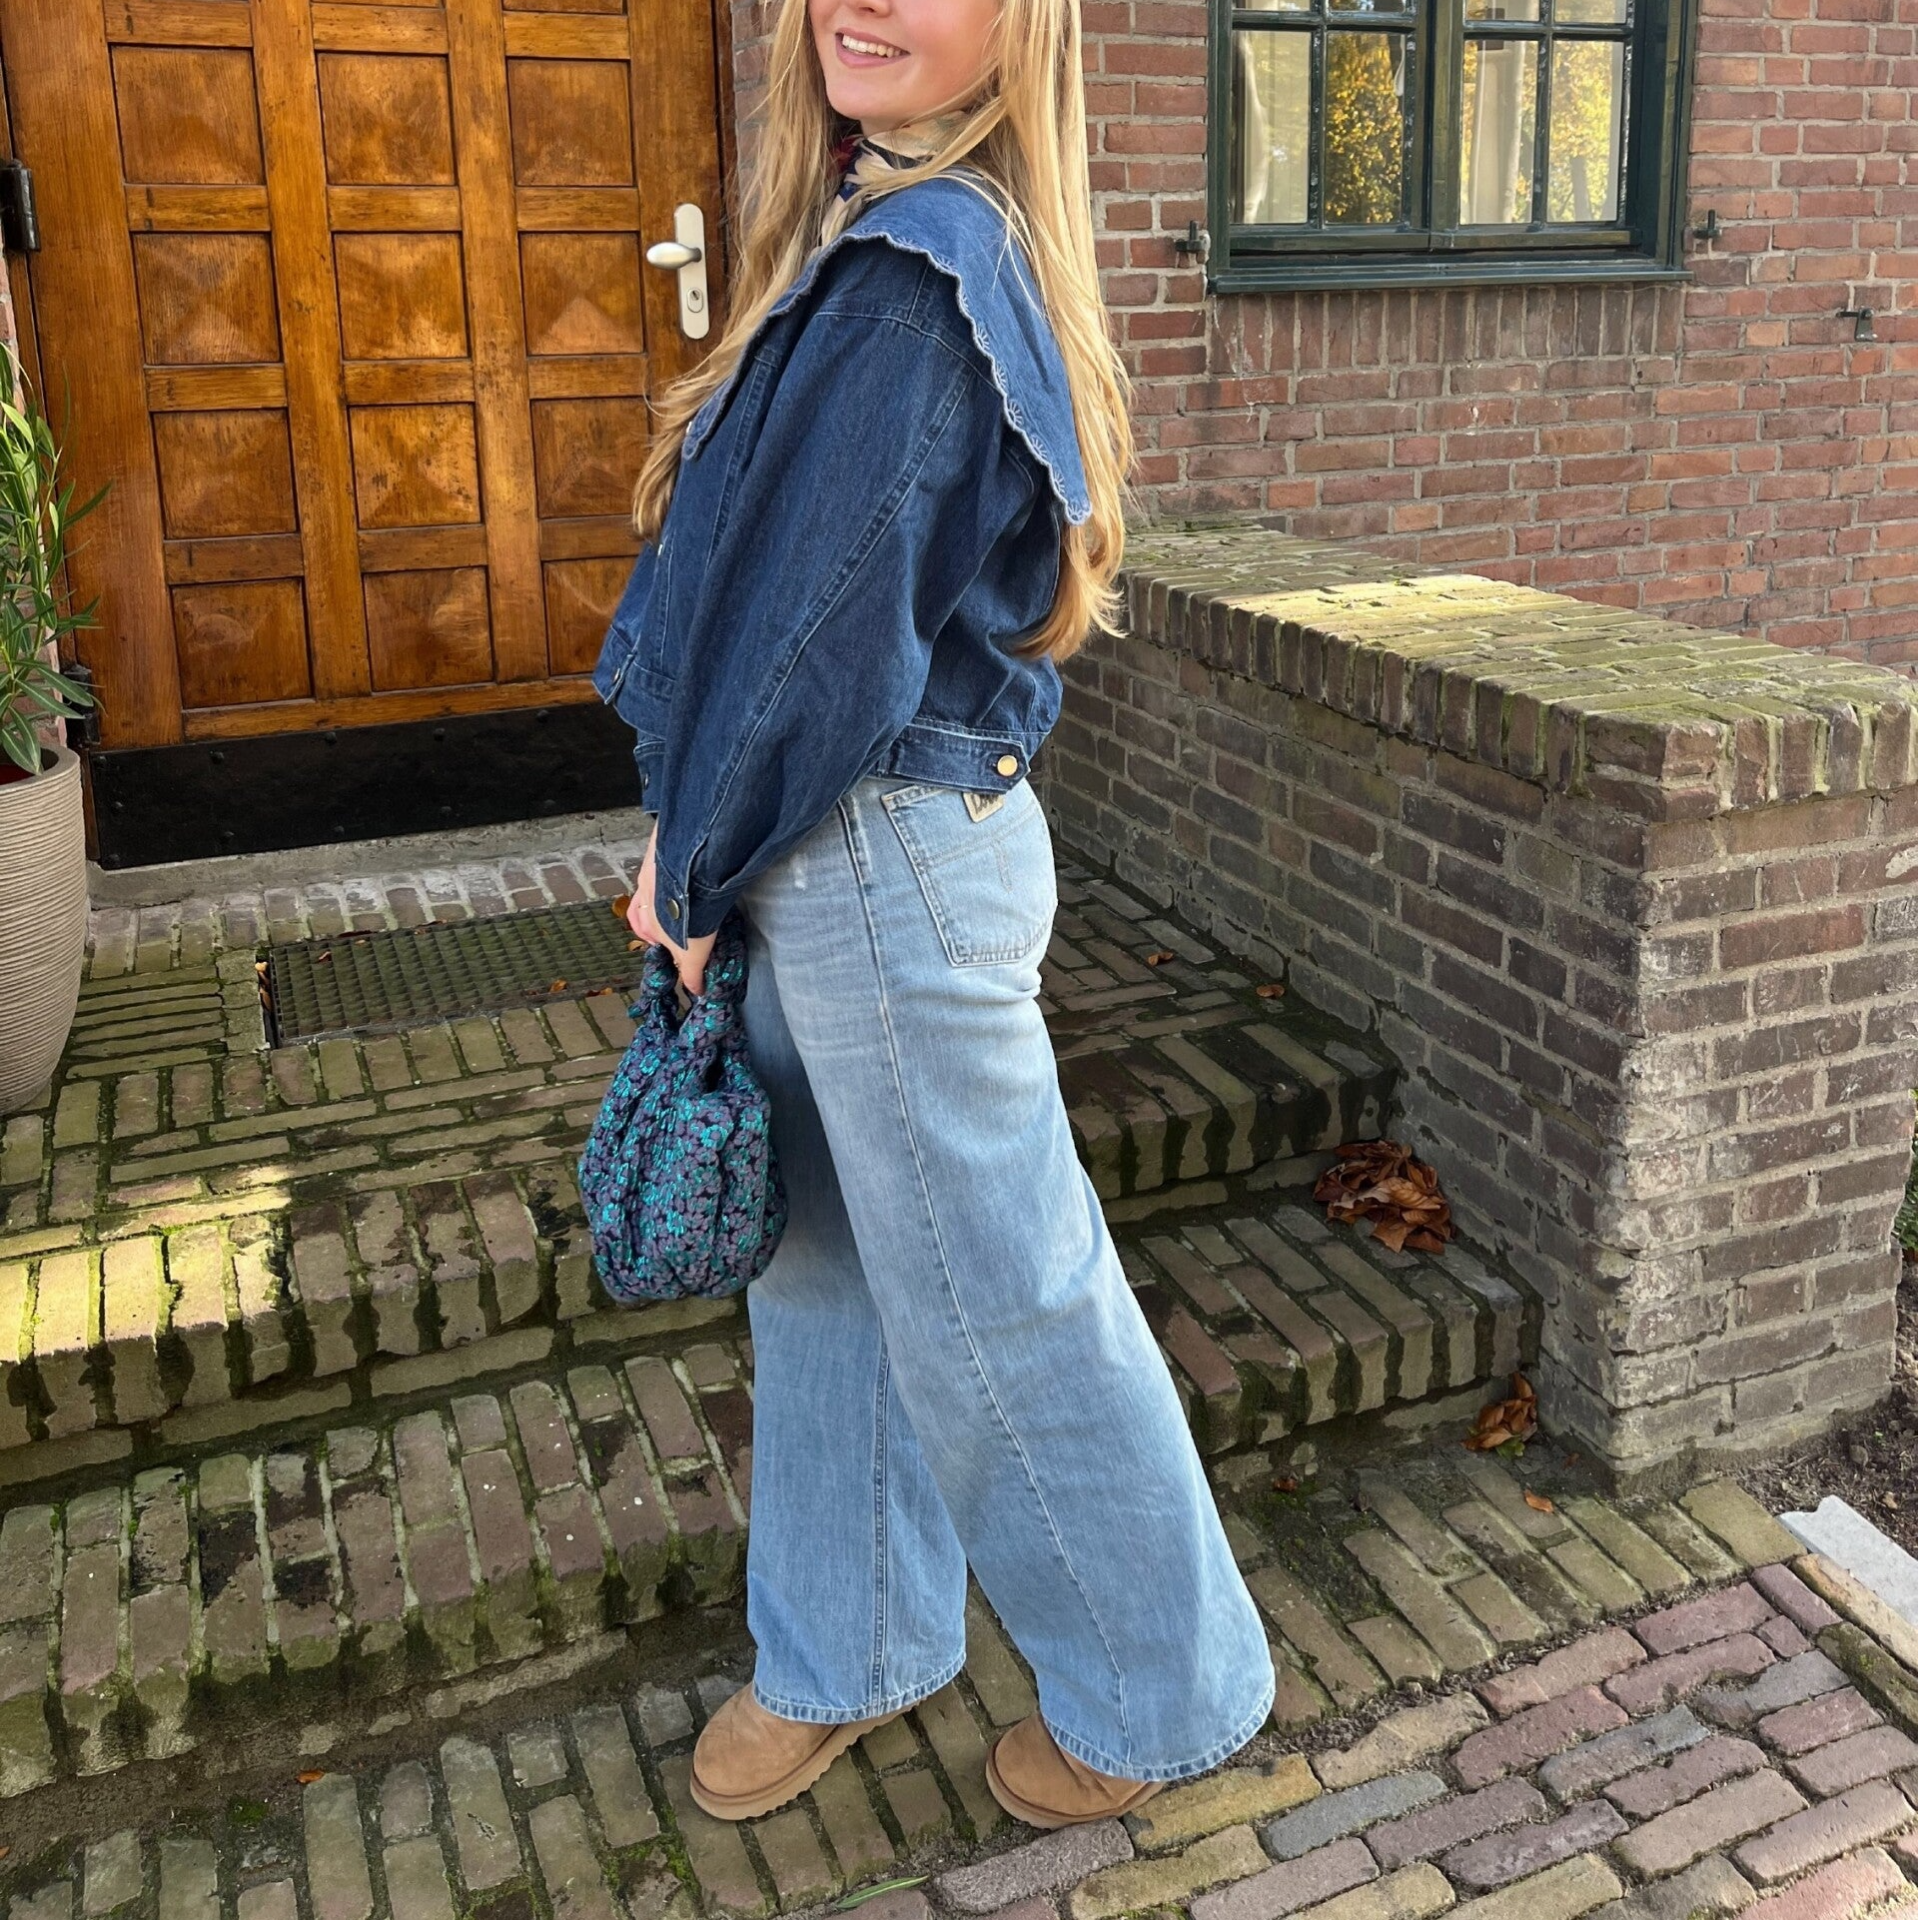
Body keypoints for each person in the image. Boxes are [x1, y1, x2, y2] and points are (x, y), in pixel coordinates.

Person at [592, 0, 1275, 1832]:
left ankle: (1155, 1692)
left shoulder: (919, 278)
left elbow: (809, 642)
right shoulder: (888, 230)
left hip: (871, 857)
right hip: (846, 841)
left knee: (1001, 1299)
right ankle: (852, 1647)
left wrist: (691, 859)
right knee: (827, 1274)